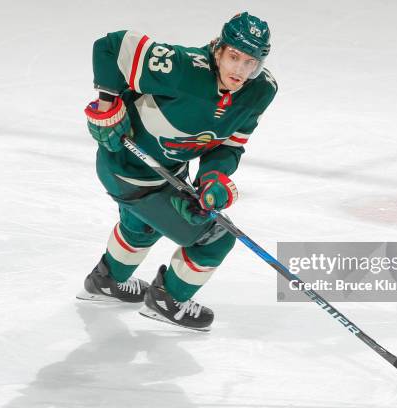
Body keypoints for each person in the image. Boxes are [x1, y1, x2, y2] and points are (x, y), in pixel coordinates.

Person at [76, 12, 278, 331]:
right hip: (126, 168)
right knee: (214, 239)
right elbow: (111, 46)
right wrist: (107, 105)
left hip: (168, 170)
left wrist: (213, 178)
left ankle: (105, 281)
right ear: (219, 49)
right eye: (234, 56)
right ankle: (169, 299)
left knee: (142, 227)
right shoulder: (181, 67)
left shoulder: (260, 91)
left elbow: (229, 145)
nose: (239, 69)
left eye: (249, 62)